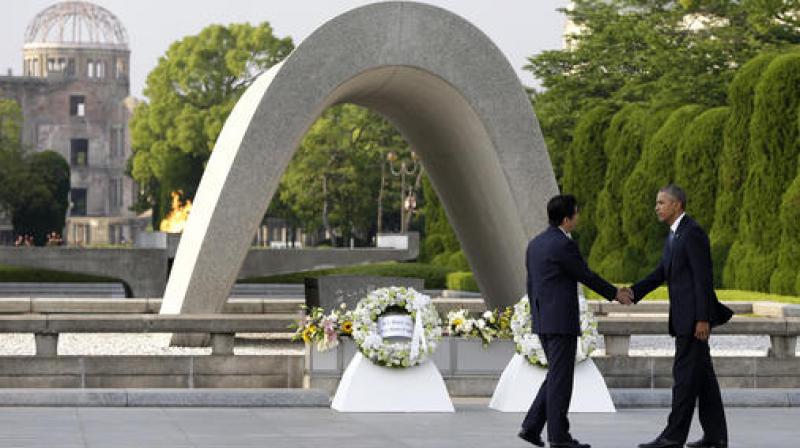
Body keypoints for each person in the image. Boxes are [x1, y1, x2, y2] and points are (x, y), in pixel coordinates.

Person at [519, 194, 633, 448]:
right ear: (566, 218)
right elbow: (585, 275)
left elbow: (531, 285)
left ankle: (531, 426)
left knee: (556, 376)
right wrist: (615, 293)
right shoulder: (563, 245)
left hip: (543, 319)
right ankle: (559, 438)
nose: (578, 218)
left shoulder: (535, 244)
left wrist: (536, 318)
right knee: (561, 380)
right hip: (560, 322)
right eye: (576, 213)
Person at [632, 185, 733, 448]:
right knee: (703, 381)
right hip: (685, 320)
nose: (657, 207)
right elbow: (661, 273)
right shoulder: (675, 235)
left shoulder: (693, 233)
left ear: (677, 205)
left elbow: (703, 279)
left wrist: (703, 318)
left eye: (661, 203)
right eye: (657, 203)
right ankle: (715, 437)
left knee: (685, 380)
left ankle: (672, 437)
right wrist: (632, 292)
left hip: (693, 323)